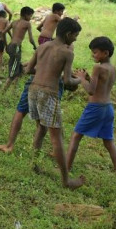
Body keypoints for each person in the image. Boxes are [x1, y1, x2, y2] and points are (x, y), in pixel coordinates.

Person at [25, 17, 85, 189]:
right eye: (75, 35)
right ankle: (66, 181)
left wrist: (46, 70)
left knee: (41, 128)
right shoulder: (67, 52)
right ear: (68, 34)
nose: (75, 39)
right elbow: (67, 81)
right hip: (48, 94)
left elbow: (29, 70)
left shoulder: (43, 46)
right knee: (56, 138)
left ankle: (34, 164)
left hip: (33, 90)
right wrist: (80, 80)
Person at [66, 36, 116, 186]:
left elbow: (91, 91)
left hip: (95, 108)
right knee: (109, 143)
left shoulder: (98, 67)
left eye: (95, 52)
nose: (93, 55)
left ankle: (65, 169)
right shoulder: (112, 68)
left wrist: (81, 78)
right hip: (108, 108)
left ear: (105, 53)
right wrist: (87, 77)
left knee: (75, 136)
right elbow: (101, 85)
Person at [3, 6, 38, 89]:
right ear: (26, 15)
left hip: (11, 46)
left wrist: (6, 45)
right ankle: (3, 91)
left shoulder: (14, 22)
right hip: (16, 47)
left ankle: (14, 89)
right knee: (13, 69)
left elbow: (3, 32)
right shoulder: (27, 24)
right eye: (30, 16)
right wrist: (35, 47)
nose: (30, 18)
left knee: (18, 67)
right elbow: (31, 39)